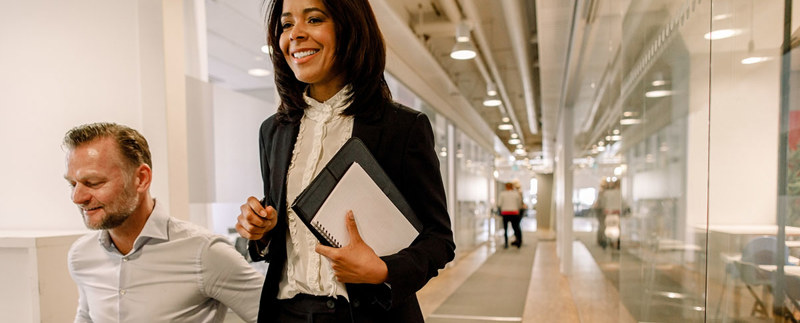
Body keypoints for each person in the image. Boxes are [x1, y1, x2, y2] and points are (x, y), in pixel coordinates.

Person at [234, 0, 456, 322]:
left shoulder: (402, 127)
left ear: (350, 28)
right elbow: (282, 234)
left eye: (314, 19)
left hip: (367, 316)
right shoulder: (273, 131)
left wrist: (384, 270)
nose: (295, 34)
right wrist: (262, 231)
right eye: (286, 24)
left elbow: (439, 240)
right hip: (285, 313)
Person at [63, 122, 264, 323]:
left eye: (93, 183)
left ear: (141, 179)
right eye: (73, 184)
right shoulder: (81, 255)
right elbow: (86, 316)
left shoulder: (205, 252)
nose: (77, 197)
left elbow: (277, 316)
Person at [594, 178, 622, 249]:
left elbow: (602, 203)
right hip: (609, 213)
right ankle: (609, 241)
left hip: (608, 212)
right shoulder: (609, 193)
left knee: (607, 227)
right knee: (606, 227)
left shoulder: (606, 193)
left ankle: (609, 241)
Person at [497, 182, 524, 249]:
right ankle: (518, 242)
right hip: (514, 213)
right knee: (516, 228)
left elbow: (499, 204)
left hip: (505, 213)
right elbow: (519, 204)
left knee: (505, 229)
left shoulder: (502, 194)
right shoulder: (516, 194)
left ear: (506, 187)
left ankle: (506, 244)